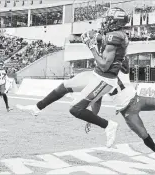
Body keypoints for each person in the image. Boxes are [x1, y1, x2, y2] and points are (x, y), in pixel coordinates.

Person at [16, 7, 130, 148]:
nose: (105, 22)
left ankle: (109, 125)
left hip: (105, 79)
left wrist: (92, 46)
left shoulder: (116, 37)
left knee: (75, 109)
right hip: (96, 75)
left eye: (108, 19)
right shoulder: (113, 35)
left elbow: (105, 66)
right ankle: (37, 108)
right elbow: (97, 97)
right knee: (65, 86)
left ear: (115, 22)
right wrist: (92, 118)